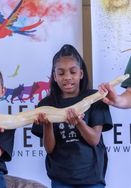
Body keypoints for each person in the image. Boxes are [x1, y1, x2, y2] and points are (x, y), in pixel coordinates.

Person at [31, 44, 113, 188]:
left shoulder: (95, 98)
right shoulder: (46, 104)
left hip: (92, 178)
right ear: (54, 76)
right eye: (61, 73)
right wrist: (47, 124)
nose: (67, 77)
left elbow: (94, 139)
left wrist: (78, 123)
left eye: (72, 72)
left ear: (81, 74)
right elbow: (49, 148)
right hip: (60, 179)